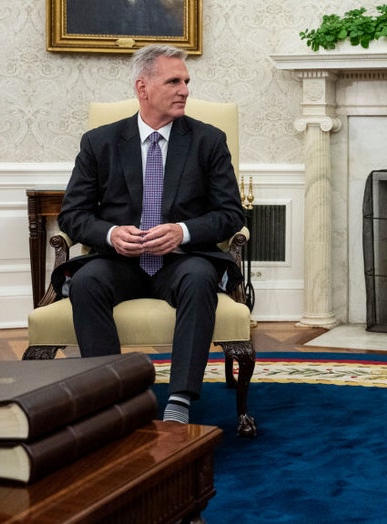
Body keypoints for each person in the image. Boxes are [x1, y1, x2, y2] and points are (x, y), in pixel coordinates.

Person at [55, 44, 245, 424]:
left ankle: (180, 400)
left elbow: (230, 214)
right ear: (143, 88)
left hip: (183, 261)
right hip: (119, 262)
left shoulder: (209, 140)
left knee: (198, 277)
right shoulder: (100, 142)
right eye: (173, 81)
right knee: (86, 282)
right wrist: (110, 234)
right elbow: (72, 215)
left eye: (186, 81)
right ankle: (114, 395)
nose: (185, 90)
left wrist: (183, 231)